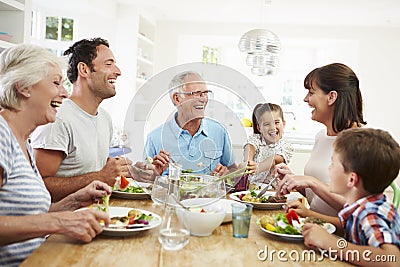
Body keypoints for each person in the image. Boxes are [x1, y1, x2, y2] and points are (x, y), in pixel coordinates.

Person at [0, 44, 111, 267]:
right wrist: (59, 222)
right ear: (24, 87)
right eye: (55, 83)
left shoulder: (23, 142)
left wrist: (73, 202)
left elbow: (29, 218)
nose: (64, 92)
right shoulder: (1, 135)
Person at [31, 38, 159, 202]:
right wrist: (101, 176)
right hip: (66, 221)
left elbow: (94, 168)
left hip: (99, 214)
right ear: (84, 69)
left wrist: (132, 171)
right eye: (109, 64)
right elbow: (40, 185)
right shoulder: (58, 118)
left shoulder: (104, 118)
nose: (118, 71)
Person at [292, 128, 400, 266]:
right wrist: (310, 216)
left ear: (351, 180)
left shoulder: (370, 213)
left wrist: (332, 243)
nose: (328, 169)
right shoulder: (360, 205)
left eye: (333, 164)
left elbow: (392, 260)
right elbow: (347, 225)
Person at [275, 63, 366, 216]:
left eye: (311, 92)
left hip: (337, 237)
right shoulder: (321, 136)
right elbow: (318, 198)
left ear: (331, 97)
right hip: (314, 228)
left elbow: (357, 210)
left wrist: (311, 181)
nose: (306, 99)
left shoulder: (361, 143)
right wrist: (294, 180)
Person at [145, 71, 236, 176]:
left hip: (209, 193)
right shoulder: (154, 137)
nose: (203, 99)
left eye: (205, 93)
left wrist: (227, 173)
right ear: (177, 98)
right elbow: (144, 181)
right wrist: (154, 174)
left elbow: (233, 170)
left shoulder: (219, 131)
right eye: (196, 93)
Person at [242, 103, 294, 187]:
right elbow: (250, 146)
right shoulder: (257, 139)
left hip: (273, 190)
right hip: (251, 188)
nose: (272, 127)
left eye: (276, 122)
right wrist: (248, 162)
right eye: (266, 124)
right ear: (259, 128)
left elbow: (275, 160)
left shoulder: (286, 146)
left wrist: (258, 167)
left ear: (283, 124)